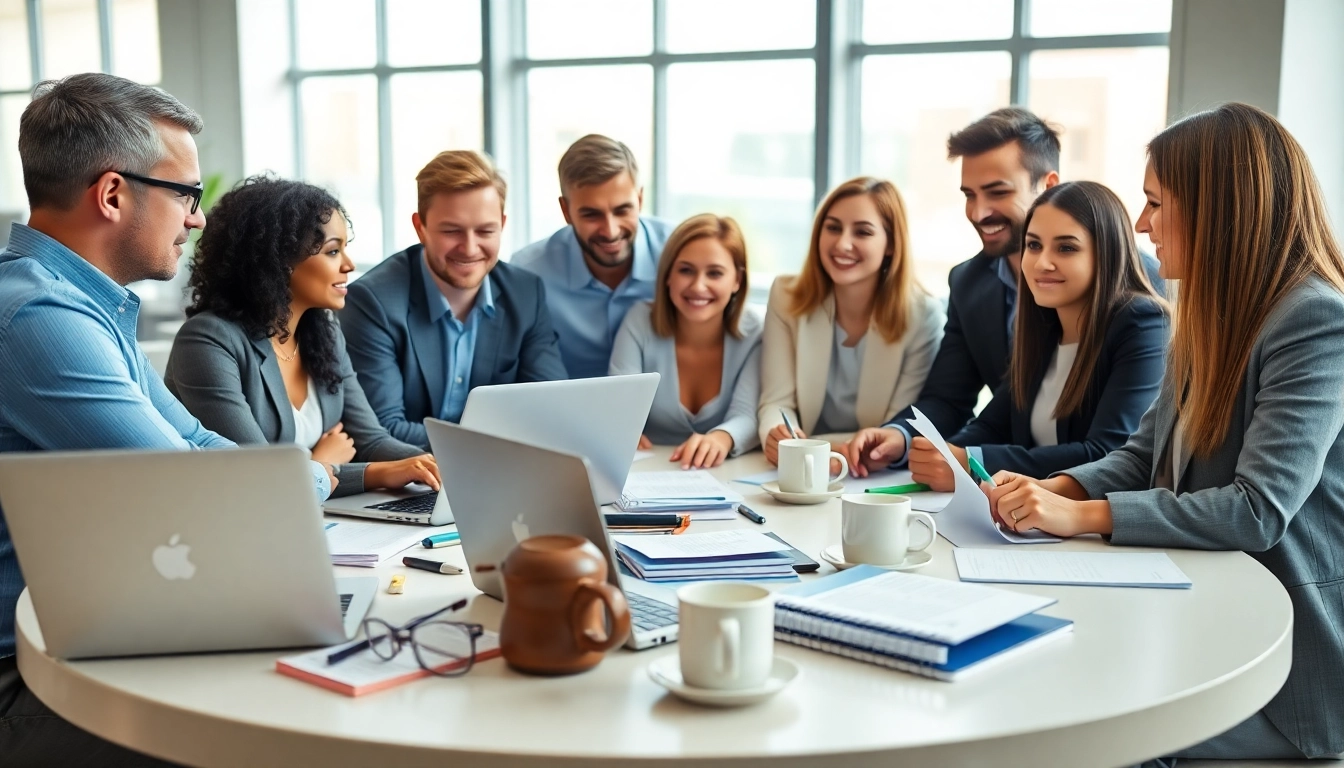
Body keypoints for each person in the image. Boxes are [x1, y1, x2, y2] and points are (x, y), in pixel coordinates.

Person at [983, 103, 1344, 764]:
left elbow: (1257, 510)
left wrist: (1080, 514)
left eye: (1155, 203)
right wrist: (1048, 490)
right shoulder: (1206, 310)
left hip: (1287, 669)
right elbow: (1145, 454)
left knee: (1092, 728)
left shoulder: (1314, 320)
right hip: (1202, 613)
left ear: (1218, 209)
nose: (1142, 224)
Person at [0, 73, 326, 767]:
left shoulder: (86, 304)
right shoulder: (36, 317)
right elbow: (185, 484)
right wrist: (312, 480)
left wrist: (292, 481)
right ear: (113, 194)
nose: (199, 217)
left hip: (97, 625)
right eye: (186, 194)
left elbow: (199, 441)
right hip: (29, 671)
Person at [843, 107, 1163, 476]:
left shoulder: (1146, 294)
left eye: (997, 192)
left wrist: (973, 463)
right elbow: (954, 400)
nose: (979, 213)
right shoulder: (984, 290)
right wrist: (901, 438)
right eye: (969, 195)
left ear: (1049, 185)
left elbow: (1115, 453)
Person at [165, 177, 440, 497]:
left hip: (318, 517)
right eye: (333, 251)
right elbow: (258, 474)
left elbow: (373, 441)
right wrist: (355, 469)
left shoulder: (323, 333)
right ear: (279, 261)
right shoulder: (208, 341)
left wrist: (437, 465)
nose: (349, 265)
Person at [906, 181, 1168, 491]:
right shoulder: (1040, 327)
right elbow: (992, 425)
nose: (1042, 263)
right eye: (1033, 245)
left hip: (1100, 528)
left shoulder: (1142, 323)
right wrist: (942, 453)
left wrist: (972, 462)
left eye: (1066, 247)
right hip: (1033, 524)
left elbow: (1107, 454)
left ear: (1106, 254)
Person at [340, 150, 566, 450]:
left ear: (502, 223)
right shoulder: (373, 301)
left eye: (486, 230)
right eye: (452, 231)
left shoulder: (526, 293)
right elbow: (382, 429)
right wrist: (500, 443)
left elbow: (549, 411)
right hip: (408, 479)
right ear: (420, 227)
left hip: (502, 473)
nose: (470, 248)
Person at [757, 177, 944, 465]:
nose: (842, 243)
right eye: (832, 228)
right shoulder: (786, 295)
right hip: (799, 462)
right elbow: (776, 401)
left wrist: (832, 454)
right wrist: (779, 435)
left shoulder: (922, 316)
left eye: (862, 232)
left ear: (891, 244)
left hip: (868, 472)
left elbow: (894, 425)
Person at [512, 134, 675, 379]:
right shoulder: (528, 273)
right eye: (591, 215)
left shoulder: (679, 256)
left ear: (640, 199)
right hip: (564, 413)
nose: (610, 231)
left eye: (623, 210)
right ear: (566, 211)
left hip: (664, 414)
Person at [609, 214, 762, 469]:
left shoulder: (755, 331)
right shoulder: (639, 321)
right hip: (644, 474)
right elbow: (618, 405)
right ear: (668, 275)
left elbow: (747, 415)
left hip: (722, 474)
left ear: (737, 280)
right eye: (686, 270)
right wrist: (621, 428)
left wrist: (721, 439)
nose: (698, 286)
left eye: (714, 273)